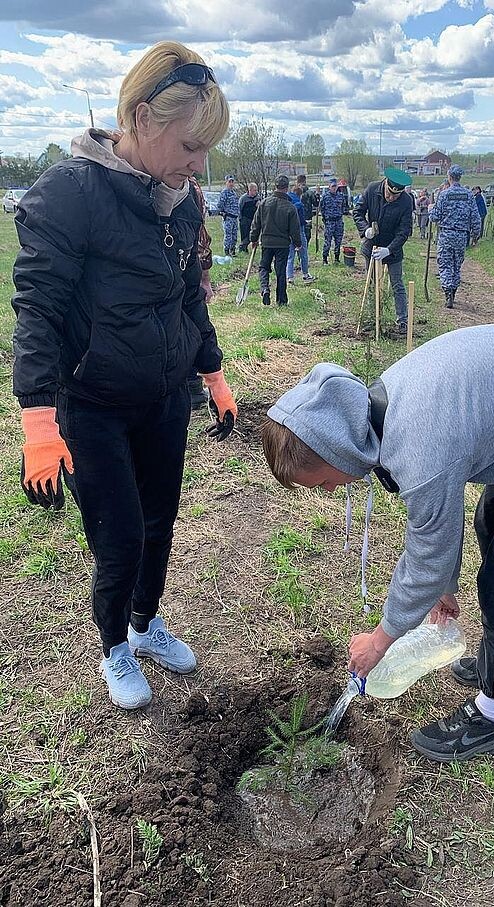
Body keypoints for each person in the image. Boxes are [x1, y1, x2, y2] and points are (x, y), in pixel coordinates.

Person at [260, 323, 494, 763]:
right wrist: (445, 585)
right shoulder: (380, 410)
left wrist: (380, 639)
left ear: (339, 449)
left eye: (322, 481)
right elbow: (440, 519)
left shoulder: (418, 447)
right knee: (492, 524)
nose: (326, 492)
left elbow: (426, 553)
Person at [11, 41, 237, 710]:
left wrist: (214, 374)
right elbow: (38, 310)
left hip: (164, 396)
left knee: (160, 522)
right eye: (191, 145)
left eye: (206, 151)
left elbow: (189, 296)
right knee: (120, 533)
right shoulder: (70, 194)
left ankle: (145, 624)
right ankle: (113, 643)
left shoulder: (182, 197)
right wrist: (38, 421)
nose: (200, 164)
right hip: (93, 405)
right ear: (141, 119)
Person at [352, 167, 414, 335]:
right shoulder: (372, 189)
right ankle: (373, 317)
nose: (391, 197)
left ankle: (402, 320)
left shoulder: (407, 201)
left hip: (392, 249)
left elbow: (404, 230)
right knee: (371, 283)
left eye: (396, 195)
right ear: (385, 184)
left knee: (397, 284)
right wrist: (365, 230)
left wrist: (389, 249)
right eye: (389, 193)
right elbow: (357, 211)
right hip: (371, 246)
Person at [428, 165, 481, 309]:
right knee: (456, 265)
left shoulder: (444, 194)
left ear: (449, 177)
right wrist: (476, 234)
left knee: (445, 265)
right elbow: (476, 217)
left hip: (446, 234)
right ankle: (453, 291)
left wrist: (430, 210)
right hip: (461, 235)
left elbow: (434, 217)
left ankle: (447, 292)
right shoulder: (468, 195)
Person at [250, 173, 301, 307]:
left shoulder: (264, 203)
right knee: (280, 271)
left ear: (275, 186)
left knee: (264, 267)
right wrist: (298, 243)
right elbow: (294, 229)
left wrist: (253, 239)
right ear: (287, 187)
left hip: (266, 242)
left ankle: (265, 288)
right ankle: (281, 300)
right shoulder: (290, 207)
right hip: (283, 244)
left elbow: (256, 223)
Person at [188, 175, 214, 409]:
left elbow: (200, 234)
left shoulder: (190, 188)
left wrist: (205, 277)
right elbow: (201, 237)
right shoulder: (192, 186)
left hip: (188, 269)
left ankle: (193, 386)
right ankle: (191, 386)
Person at [287, 185, 316, 284]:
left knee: (290, 255)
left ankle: (289, 277)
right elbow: (301, 219)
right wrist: (306, 222)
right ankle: (305, 274)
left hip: (288, 231)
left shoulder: (286, 201)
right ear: (300, 194)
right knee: (303, 253)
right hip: (299, 230)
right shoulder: (299, 204)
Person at [320, 178, 348, 263]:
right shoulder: (325, 197)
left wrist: (341, 213)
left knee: (338, 241)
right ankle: (325, 258)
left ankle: (337, 258)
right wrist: (326, 219)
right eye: (333, 186)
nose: (334, 188)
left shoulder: (341, 196)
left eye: (336, 186)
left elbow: (344, 207)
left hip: (338, 221)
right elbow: (322, 209)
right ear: (329, 187)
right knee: (327, 241)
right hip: (329, 222)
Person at [217, 174, 239, 255]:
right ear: (226, 182)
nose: (231, 183)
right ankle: (227, 251)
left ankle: (232, 250)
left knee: (234, 235)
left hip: (234, 217)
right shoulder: (224, 192)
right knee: (228, 235)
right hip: (228, 217)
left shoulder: (233, 193)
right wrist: (223, 213)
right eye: (229, 181)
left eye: (232, 181)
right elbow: (220, 205)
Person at [238, 182, 259, 253]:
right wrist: (241, 219)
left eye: (256, 190)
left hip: (253, 219)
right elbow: (240, 209)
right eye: (254, 190)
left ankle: (249, 246)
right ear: (250, 190)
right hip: (245, 219)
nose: (256, 192)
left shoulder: (258, 198)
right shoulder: (243, 198)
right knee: (245, 235)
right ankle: (242, 248)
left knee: (252, 234)